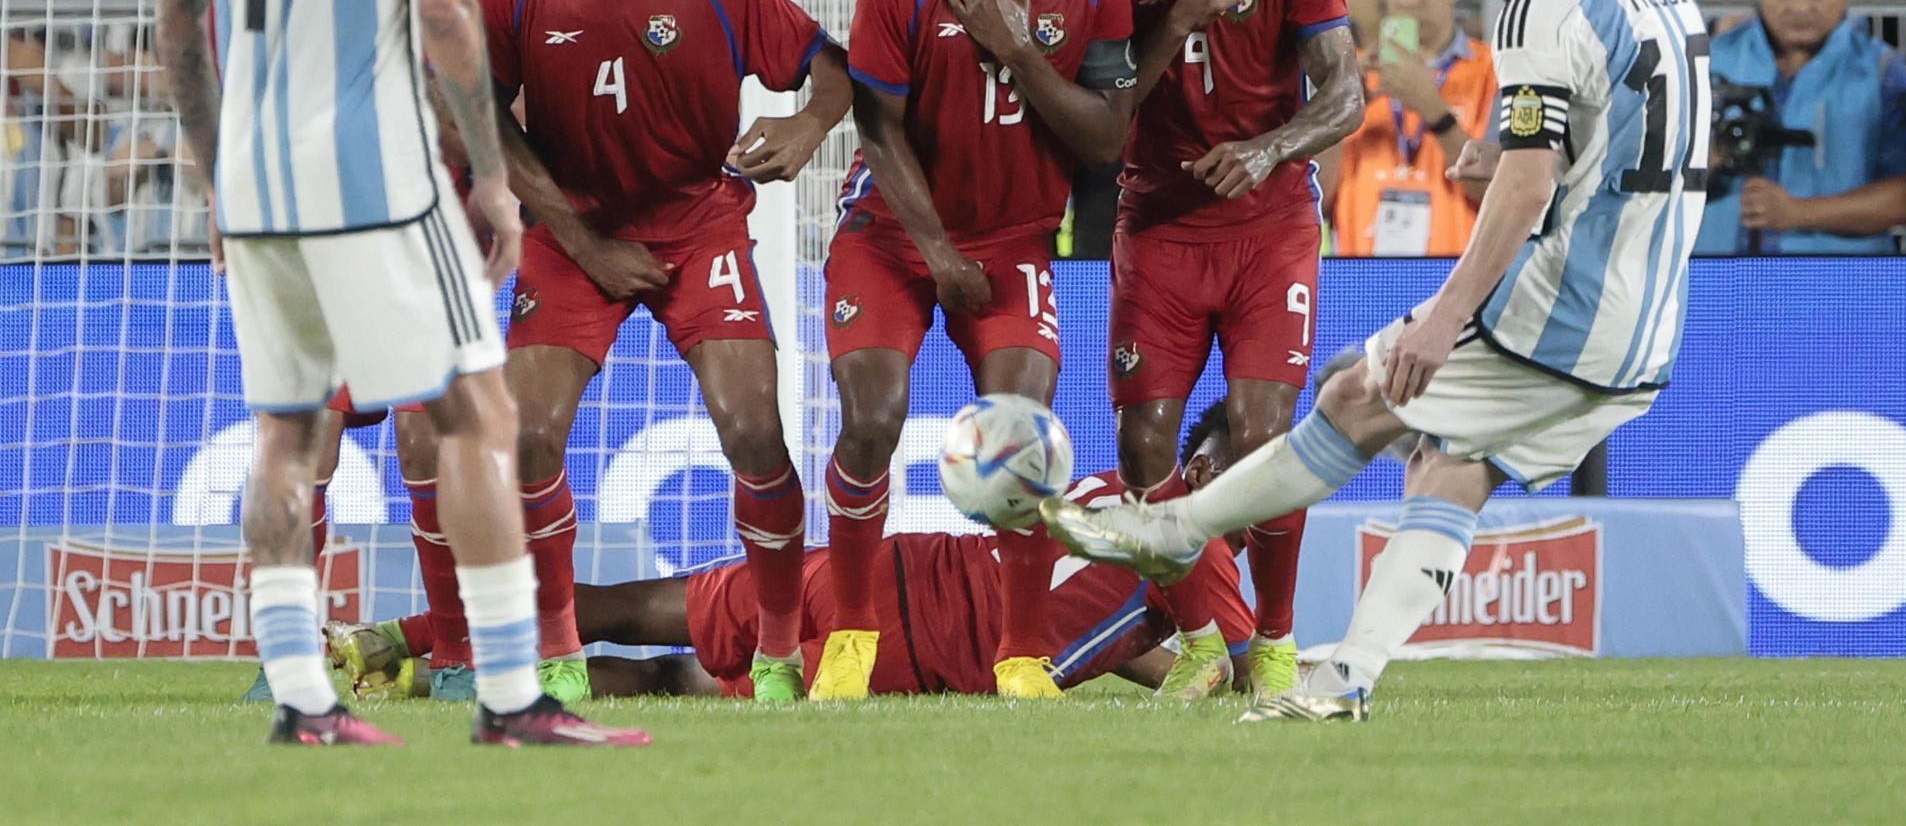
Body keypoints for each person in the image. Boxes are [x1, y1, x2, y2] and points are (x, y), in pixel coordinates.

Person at [1045, 0, 1712, 723]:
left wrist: (1445, 315)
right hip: (1651, 322)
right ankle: (1346, 677)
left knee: (1359, 395)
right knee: (1450, 466)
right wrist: (1519, 158)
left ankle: (1172, 528)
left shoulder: (1540, 1)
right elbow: (1618, 142)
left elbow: (1527, 182)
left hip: (1567, 304)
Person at [147, 0, 647, 747]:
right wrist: (484, 174)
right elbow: (442, 3)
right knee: (475, 412)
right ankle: (515, 697)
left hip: (260, 185)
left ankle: (299, 699)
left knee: (285, 433)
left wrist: (218, 176)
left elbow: (177, 27)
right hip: (375, 172)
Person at [471, 0, 852, 705]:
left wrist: (805, 128)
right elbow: (477, 113)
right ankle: (557, 650)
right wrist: (581, 238)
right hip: (571, 232)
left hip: (697, 221)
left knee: (755, 429)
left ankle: (775, 650)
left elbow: (829, 65)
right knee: (528, 438)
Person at [814, 0, 1135, 702]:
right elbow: (877, 127)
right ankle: (850, 633)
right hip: (891, 233)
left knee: (1022, 434)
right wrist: (941, 255)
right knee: (871, 416)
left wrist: (1016, 46)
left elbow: (1109, 139)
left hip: (1015, 239)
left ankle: (1020, 653)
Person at [336, 401, 1260, 702]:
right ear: (1211, 469)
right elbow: (1248, 670)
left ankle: (409, 642)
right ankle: (427, 678)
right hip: (910, 652)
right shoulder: (1200, 538)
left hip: (870, 572)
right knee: (675, 683)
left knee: (626, 603)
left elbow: (1109, 629)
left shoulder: (1110, 488)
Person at [1074, 0, 1363, 713]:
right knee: (1144, 439)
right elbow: (1100, 107)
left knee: (1262, 433)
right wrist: (1182, 14)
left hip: (1267, 223)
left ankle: (1273, 644)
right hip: (1154, 220)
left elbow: (1346, 91)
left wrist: (1272, 147)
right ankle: (1202, 639)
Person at [1698, 0, 1906, 253]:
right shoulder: (1708, 61)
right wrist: (1706, 157)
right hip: (1713, 276)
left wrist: (1798, 213)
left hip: (1842, 284)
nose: (1800, 7)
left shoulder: (1884, 72)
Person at [1321, 0, 1497, 256]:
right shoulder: (1350, 74)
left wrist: (1433, 110)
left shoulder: (1493, 70)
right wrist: (1338, 116)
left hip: (1454, 285)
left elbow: (1495, 192)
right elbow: (1315, 200)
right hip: (1361, 285)